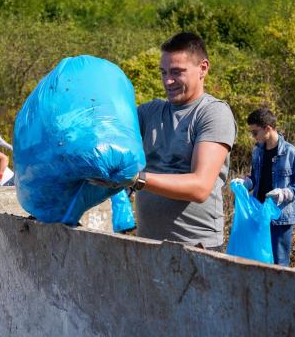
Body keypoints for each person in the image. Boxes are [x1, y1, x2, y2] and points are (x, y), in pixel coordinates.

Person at [95, 32, 237, 251]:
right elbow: (108, 131)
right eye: (163, 72)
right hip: (149, 244)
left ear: (203, 68)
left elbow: (200, 187)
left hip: (196, 248)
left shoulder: (212, 113)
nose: (168, 81)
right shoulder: (150, 112)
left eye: (177, 72)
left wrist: (136, 179)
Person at [240, 107, 295, 266]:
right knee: (258, 260)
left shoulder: (291, 152)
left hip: (280, 217)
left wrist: (286, 193)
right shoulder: (257, 152)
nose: (253, 137)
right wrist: (247, 183)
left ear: (268, 129)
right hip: (260, 213)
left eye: (255, 132)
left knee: (279, 264)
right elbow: (256, 178)